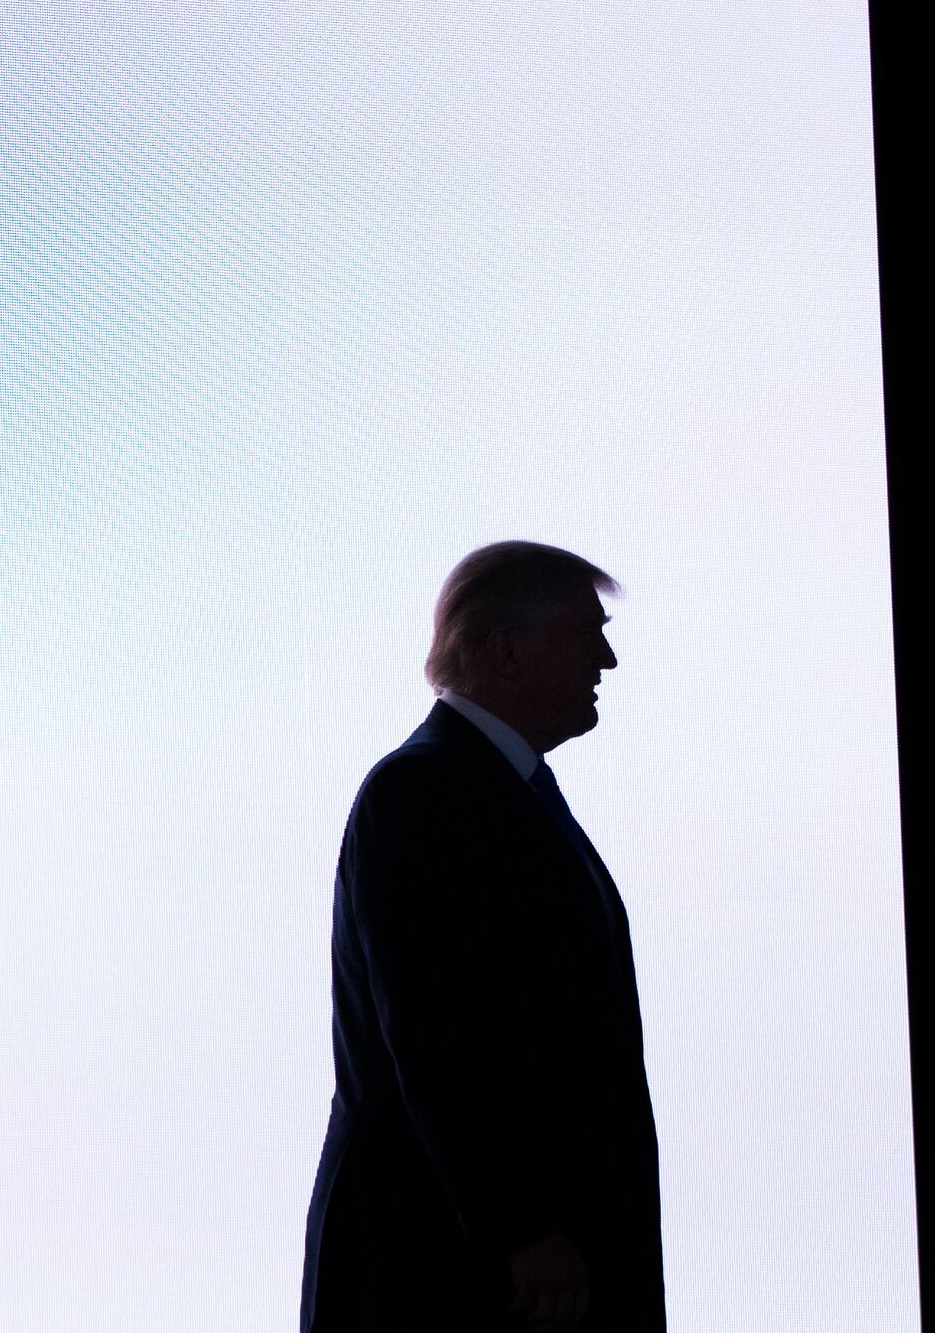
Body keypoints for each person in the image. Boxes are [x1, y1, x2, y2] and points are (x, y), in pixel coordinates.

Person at [302, 542, 663, 1333]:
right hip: (454, 1277)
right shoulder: (423, 790)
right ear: (504, 650)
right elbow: (437, 1034)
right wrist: (523, 1228)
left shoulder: (493, 790)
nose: (606, 660)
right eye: (587, 635)